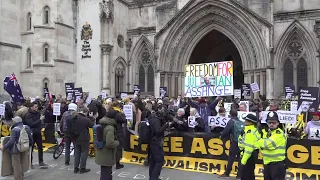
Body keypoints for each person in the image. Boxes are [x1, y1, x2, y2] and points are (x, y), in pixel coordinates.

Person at [254, 111, 287, 180]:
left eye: (274, 122)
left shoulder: (279, 134)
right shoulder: (266, 132)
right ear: (266, 123)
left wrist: (258, 142)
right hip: (267, 164)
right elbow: (254, 139)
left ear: (278, 123)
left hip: (277, 165)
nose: (271, 124)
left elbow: (266, 144)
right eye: (269, 122)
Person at [220, 110, 244, 179]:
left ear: (230, 115)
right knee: (240, 159)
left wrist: (221, 136)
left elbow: (226, 131)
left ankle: (227, 173)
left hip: (234, 142)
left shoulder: (231, 121)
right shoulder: (241, 122)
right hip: (241, 143)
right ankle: (239, 175)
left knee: (231, 158)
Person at [148, 110, 172, 180]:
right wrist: (166, 125)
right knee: (159, 161)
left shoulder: (151, 118)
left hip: (152, 142)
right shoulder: (156, 121)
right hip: (156, 143)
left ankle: (152, 177)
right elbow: (158, 131)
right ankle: (154, 178)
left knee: (153, 161)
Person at [95, 116, 120, 180]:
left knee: (105, 173)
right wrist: (117, 142)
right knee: (106, 174)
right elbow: (110, 143)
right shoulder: (110, 128)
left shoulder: (103, 124)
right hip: (107, 154)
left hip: (101, 153)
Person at [24, 102, 47, 168]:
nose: (37, 108)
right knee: (31, 148)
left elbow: (39, 122)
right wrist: (39, 120)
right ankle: (30, 163)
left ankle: (41, 161)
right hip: (32, 133)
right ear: (31, 107)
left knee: (40, 147)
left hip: (38, 132)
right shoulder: (28, 115)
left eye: (37, 107)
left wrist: (42, 125)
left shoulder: (38, 113)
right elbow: (31, 124)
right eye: (35, 107)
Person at [238, 114, 261, 180]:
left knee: (246, 175)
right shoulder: (250, 130)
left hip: (248, 156)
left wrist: (243, 161)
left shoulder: (250, 132)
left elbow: (249, 149)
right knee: (250, 174)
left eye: (246, 120)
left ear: (250, 122)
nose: (244, 121)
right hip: (250, 155)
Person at [72, 106, 94, 174]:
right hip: (84, 138)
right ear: (86, 112)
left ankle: (76, 168)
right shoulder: (85, 119)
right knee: (84, 153)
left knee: (77, 153)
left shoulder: (74, 118)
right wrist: (91, 117)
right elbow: (92, 125)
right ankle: (82, 168)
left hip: (75, 137)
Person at [106, 101, 126, 169]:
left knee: (112, 146)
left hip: (110, 130)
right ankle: (117, 163)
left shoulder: (109, 112)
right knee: (119, 147)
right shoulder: (118, 113)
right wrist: (123, 114)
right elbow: (124, 120)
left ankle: (110, 161)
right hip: (118, 131)